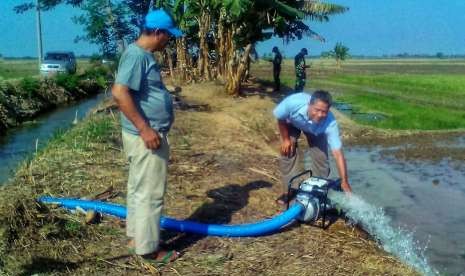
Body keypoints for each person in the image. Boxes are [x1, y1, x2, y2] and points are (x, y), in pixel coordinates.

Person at [111, 9, 182, 263]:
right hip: (146, 137)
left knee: (138, 189)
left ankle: (136, 238)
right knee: (150, 193)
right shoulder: (137, 56)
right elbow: (120, 93)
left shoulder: (140, 55)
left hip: (143, 135)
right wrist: (145, 128)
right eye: (168, 36)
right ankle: (149, 249)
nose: (168, 41)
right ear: (157, 32)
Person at [273, 90, 352, 205]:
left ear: (328, 110)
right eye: (317, 110)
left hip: (316, 131)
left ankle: (317, 191)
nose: (320, 115)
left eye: (324, 112)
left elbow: (338, 154)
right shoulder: (293, 102)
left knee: (321, 159)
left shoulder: (330, 122)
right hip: (292, 123)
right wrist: (286, 139)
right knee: (287, 152)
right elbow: (281, 118)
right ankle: (289, 191)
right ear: (309, 104)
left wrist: (345, 182)